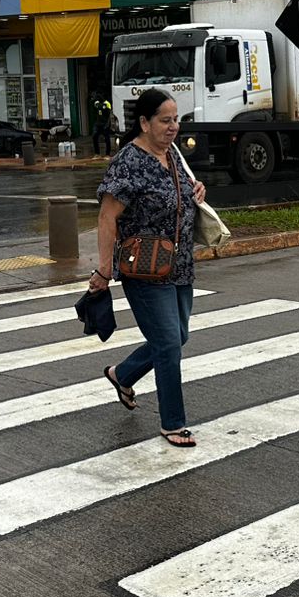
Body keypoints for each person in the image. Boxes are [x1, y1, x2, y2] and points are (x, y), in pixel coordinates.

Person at [89, 89, 206, 447]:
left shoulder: (173, 156)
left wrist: (196, 189)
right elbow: (108, 217)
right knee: (169, 343)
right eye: (165, 120)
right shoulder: (129, 161)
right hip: (144, 267)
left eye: (176, 120)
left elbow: (181, 195)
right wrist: (104, 270)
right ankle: (173, 423)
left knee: (177, 336)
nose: (173, 127)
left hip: (179, 264)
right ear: (144, 122)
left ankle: (122, 374)